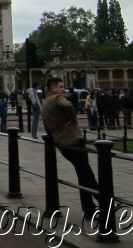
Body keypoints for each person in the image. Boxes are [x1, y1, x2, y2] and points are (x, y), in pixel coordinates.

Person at [41, 77, 99, 216]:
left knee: (86, 173)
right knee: (85, 174)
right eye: (61, 87)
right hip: (73, 140)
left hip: (61, 142)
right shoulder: (57, 98)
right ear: (52, 88)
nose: (63, 89)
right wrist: (72, 120)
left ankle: (103, 201)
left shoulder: (45, 102)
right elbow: (67, 105)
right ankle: (91, 208)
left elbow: (48, 126)